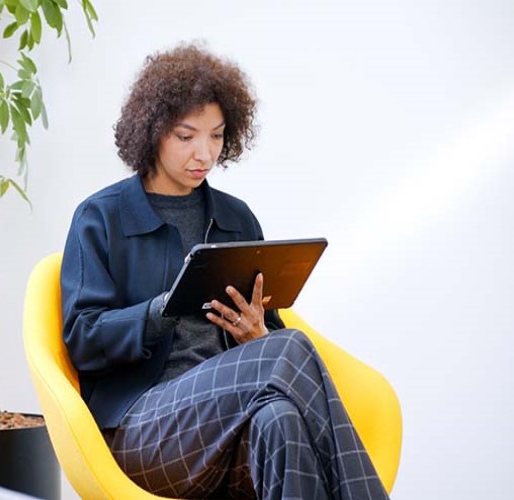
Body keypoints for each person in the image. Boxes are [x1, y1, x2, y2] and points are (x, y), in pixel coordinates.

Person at [60, 43, 388, 500]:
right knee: (289, 346)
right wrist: (160, 310)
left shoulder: (237, 219)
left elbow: (269, 345)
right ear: (152, 131)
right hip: (145, 433)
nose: (204, 153)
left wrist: (257, 336)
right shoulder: (101, 217)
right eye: (186, 135)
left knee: (281, 420)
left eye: (216, 136)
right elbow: (83, 338)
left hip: (231, 430)